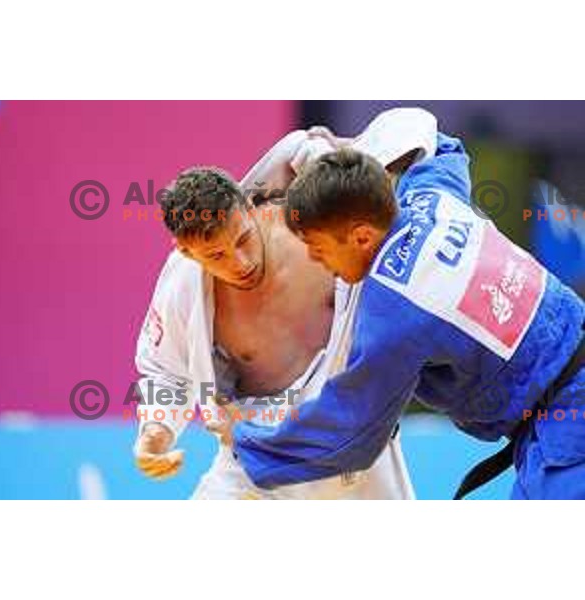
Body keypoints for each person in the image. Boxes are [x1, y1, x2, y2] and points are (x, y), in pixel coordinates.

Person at [224, 129, 585, 500]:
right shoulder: (430, 194)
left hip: (569, 428)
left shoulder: (393, 309)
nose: (316, 263)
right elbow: (438, 141)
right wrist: (349, 154)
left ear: (362, 237)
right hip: (559, 407)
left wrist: (247, 442)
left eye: (318, 248)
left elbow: (349, 433)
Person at [133, 108, 437, 499]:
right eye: (216, 256)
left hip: (350, 444)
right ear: (187, 253)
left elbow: (407, 134)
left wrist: (325, 154)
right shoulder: (184, 285)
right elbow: (165, 371)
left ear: (248, 208)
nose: (239, 263)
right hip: (253, 454)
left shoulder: (315, 223)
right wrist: (156, 430)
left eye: (242, 239)